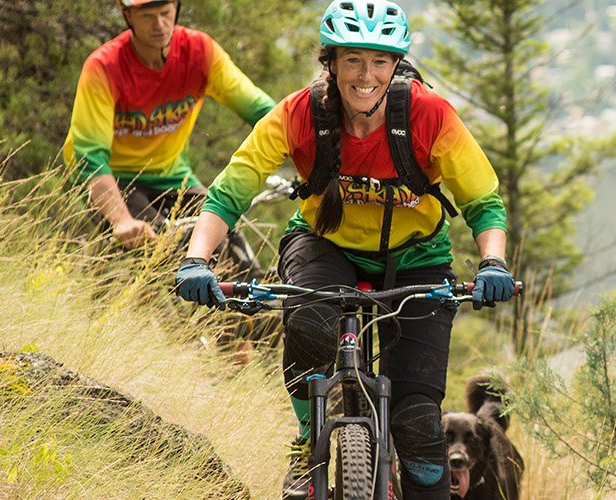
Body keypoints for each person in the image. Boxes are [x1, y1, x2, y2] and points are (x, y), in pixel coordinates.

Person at [172, 0, 516, 498]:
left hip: (416, 256)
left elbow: (484, 203)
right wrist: (196, 259)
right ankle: (308, 440)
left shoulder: (430, 116)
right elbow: (229, 193)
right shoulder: (298, 113)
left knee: (419, 425)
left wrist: (492, 262)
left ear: (397, 65)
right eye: (353, 59)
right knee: (309, 327)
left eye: (380, 61)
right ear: (329, 61)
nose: (366, 75)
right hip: (324, 245)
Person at [63, 0, 276, 249]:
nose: (159, 25)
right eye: (147, 16)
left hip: (172, 175)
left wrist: (304, 139)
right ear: (127, 15)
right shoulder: (104, 67)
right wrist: (122, 221)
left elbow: (260, 110)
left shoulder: (199, 51)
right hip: (113, 178)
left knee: (224, 237)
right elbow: (89, 157)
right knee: (165, 250)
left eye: (165, 13)